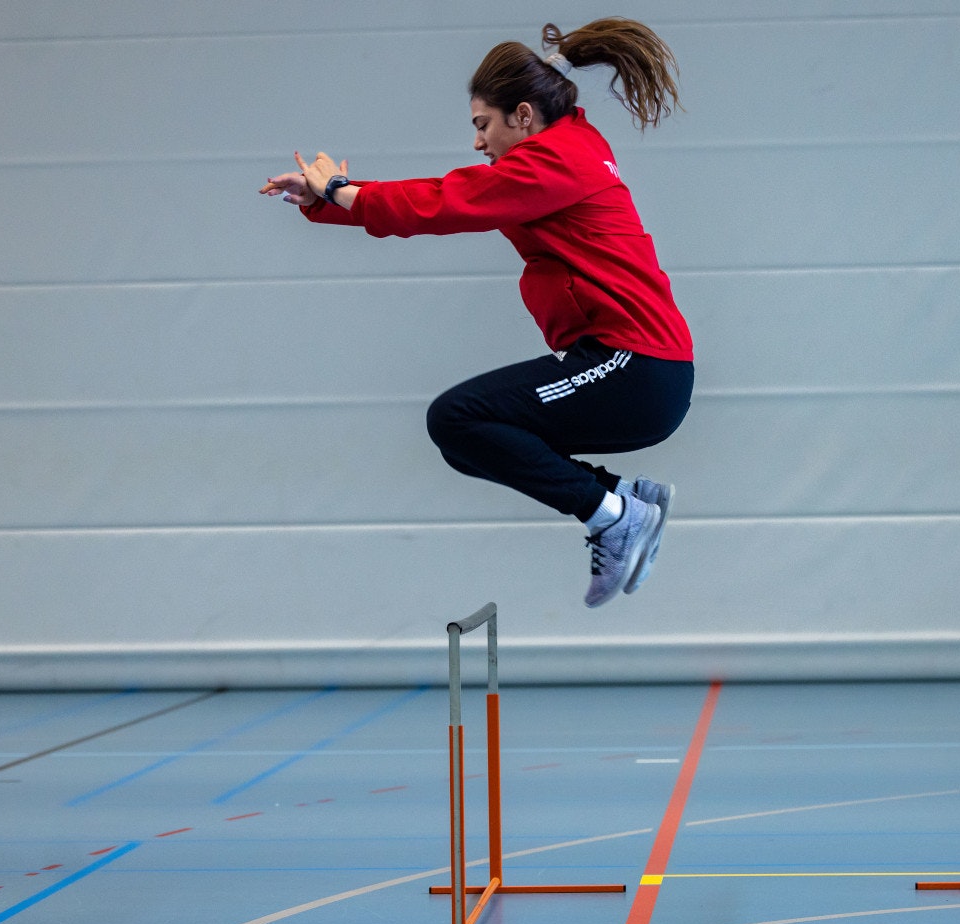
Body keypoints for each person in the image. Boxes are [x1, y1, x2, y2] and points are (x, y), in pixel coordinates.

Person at [261, 17, 693, 608]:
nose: (477, 142)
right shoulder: (563, 152)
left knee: (458, 419)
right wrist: (333, 198)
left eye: (482, 125)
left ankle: (615, 513)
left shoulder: (556, 161)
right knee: (468, 442)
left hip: (636, 366)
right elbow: (450, 198)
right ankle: (618, 501)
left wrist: (338, 188)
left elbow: (445, 202)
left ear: (522, 115)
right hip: (633, 366)